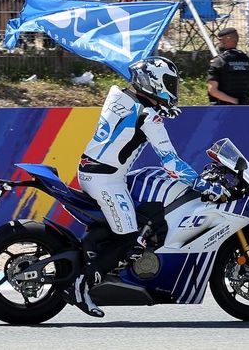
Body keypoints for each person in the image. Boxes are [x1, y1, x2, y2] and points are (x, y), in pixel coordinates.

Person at [71, 57, 227, 317]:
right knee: (130, 238)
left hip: (96, 171)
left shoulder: (120, 96)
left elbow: (131, 119)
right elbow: (172, 163)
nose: (172, 89)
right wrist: (201, 184)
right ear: (154, 83)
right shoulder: (148, 117)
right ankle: (81, 286)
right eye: (169, 83)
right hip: (106, 179)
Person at [206, 28, 249, 106]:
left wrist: (235, 101)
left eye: (220, 40)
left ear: (228, 40)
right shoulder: (248, 61)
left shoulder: (218, 62)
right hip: (244, 110)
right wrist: (247, 102)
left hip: (221, 110)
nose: (218, 43)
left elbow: (212, 90)